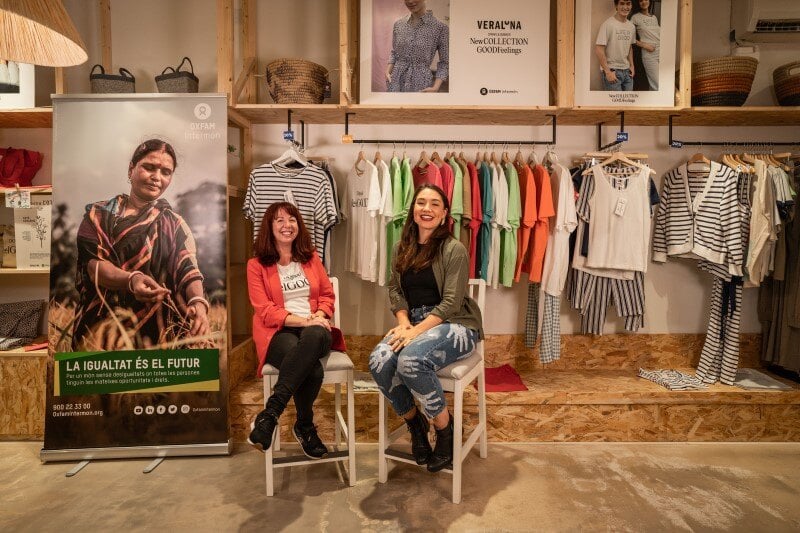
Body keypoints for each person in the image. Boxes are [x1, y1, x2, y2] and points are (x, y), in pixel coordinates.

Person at [369, 184, 483, 472]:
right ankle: (415, 425)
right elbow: (394, 290)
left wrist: (416, 332)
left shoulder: (453, 249)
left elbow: (452, 302)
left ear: (444, 214)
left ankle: (445, 433)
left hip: (455, 324)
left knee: (411, 360)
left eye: (434, 204)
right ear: (413, 211)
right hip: (414, 324)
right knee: (379, 362)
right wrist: (406, 324)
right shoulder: (401, 247)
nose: (427, 209)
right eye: (421, 202)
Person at [73, 139, 209, 349]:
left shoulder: (173, 224)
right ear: (131, 169)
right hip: (99, 332)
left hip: (157, 335)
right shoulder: (97, 215)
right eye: (149, 167)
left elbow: (188, 269)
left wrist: (198, 302)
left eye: (166, 172)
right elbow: (94, 267)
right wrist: (132, 279)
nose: (157, 177)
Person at [246, 201, 338, 459]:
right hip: (278, 331)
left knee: (317, 333)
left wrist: (318, 315)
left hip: (314, 328)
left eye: (292, 220)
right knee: (311, 367)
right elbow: (264, 310)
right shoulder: (256, 265)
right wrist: (302, 320)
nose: (287, 226)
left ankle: (270, 414)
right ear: (269, 227)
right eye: (280, 221)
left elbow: (327, 296)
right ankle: (305, 425)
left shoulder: (311, 258)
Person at [385, 0, 449, 93]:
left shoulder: (440, 28)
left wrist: (435, 87)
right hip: (395, 81)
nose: (410, 1)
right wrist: (387, 71)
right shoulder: (398, 25)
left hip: (421, 84)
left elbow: (445, 62)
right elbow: (395, 52)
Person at [595, 0, 636, 91]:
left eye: (628, 3)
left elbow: (629, 48)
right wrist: (607, 72)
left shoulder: (631, 26)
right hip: (613, 71)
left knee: (629, 104)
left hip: (627, 72)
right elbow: (599, 49)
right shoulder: (608, 24)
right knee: (615, 105)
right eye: (622, 3)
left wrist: (632, 66)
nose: (625, 7)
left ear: (631, 5)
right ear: (616, 5)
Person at [630, 0, 660, 90]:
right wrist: (645, 45)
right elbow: (628, 37)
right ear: (638, 3)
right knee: (658, 85)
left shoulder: (654, 17)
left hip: (661, 51)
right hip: (650, 54)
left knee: (658, 83)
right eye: (640, 0)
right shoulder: (635, 17)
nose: (643, 2)